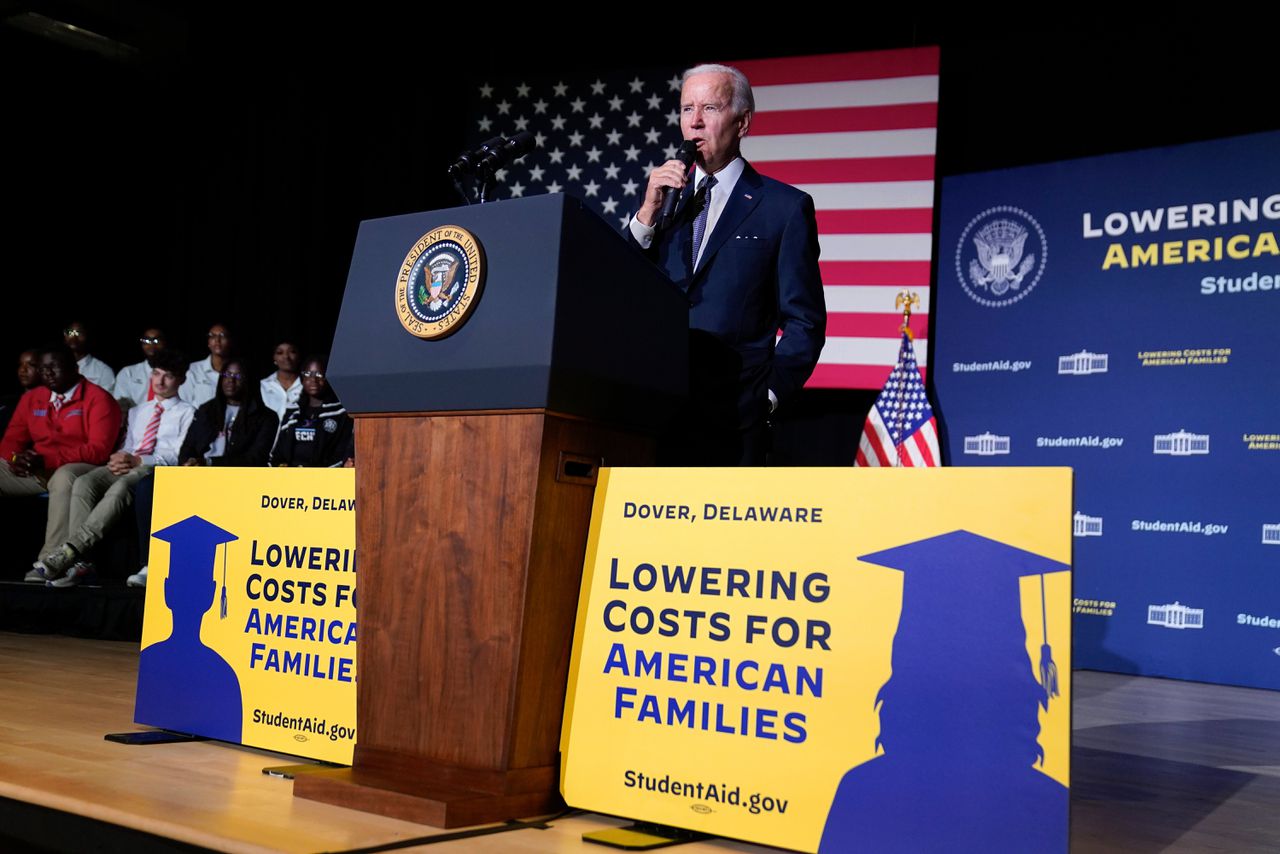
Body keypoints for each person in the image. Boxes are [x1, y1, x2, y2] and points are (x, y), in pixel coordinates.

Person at [629, 64, 825, 465]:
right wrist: (646, 213)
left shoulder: (784, 208)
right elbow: (622, 287)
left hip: (734, 421)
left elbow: (805, 320)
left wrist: (768, 396)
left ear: (742, 123)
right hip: (654, 414)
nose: (695, 122)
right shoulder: (666, 201)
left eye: (710, 108)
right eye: (687, 109)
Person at [40, 350, 195, 587]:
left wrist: (140, 461)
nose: (160, 381)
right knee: (84, 482)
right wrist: (120, 457)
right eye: (156, 373)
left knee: (122, 487)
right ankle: (82, 564)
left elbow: (177, 455)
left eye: (168, 376)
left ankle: (73, 550)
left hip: (156, 470)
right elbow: (131, 446)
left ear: (182, 380)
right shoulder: (138, 411)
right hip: (129, 462)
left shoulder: (188, 412)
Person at [127, 357, 279, 588]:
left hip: (236, 481)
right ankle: (149, 564)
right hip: (196, 477)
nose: (231, 381)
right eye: (227, 375)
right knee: (148, 485)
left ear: (249, 381)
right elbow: (187, 448)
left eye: (238, 376)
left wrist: (209, 464)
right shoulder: (207, 410)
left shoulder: (266, 417)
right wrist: (189, 461)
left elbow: (254, 459)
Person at [0, 346, 122, 581]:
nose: (48, 373)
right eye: (43, 368)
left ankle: (50, 560)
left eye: (54, 367)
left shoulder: (98, 398)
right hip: (36, 468)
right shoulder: (32, 397)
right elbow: (10, 441)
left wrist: (46, 459)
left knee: (64, 477)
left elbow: (98, 450)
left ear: (75, 368)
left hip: (80, 466)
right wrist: (17, 459)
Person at [269, 355, 354, 468]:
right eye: (308, 374)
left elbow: (343, 452)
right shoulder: (293, 411)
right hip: (291, 478)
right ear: (302, 378)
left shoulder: (340, 412)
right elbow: (277, 451)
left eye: (319, 374)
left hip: (325, 477)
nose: (313, 380)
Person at [114, 327, 168, 410]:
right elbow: (121, 404)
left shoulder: (175, 374)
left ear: (165, 342)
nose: (151, 345)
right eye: (146, 341)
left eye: (156, 340)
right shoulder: (128, 372)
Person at [180, 323, 233, 407]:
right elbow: (184, 403)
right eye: (213, 336)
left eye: (222, 336)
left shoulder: (237, 372)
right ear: (208, 342)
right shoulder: (193, 370)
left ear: (230, 341)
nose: (217, 340)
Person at [63, 320, 116, 392]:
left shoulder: (103, 371)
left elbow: (107, 400)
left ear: (88, 335)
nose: (74, 337)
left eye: (79, 332)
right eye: (70, 332)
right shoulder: (56, 369)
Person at [1, 349, 44, 435]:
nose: (23, 370)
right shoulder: (7, 402)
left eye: (31, 365)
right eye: (21, 364)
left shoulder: (49, 402)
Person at [259, 340, 303, 423]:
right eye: (280, 352)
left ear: (299, 356)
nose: (286, 356)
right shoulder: (263, 385)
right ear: (274, 358)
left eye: (292, 352)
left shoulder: (307, 385)